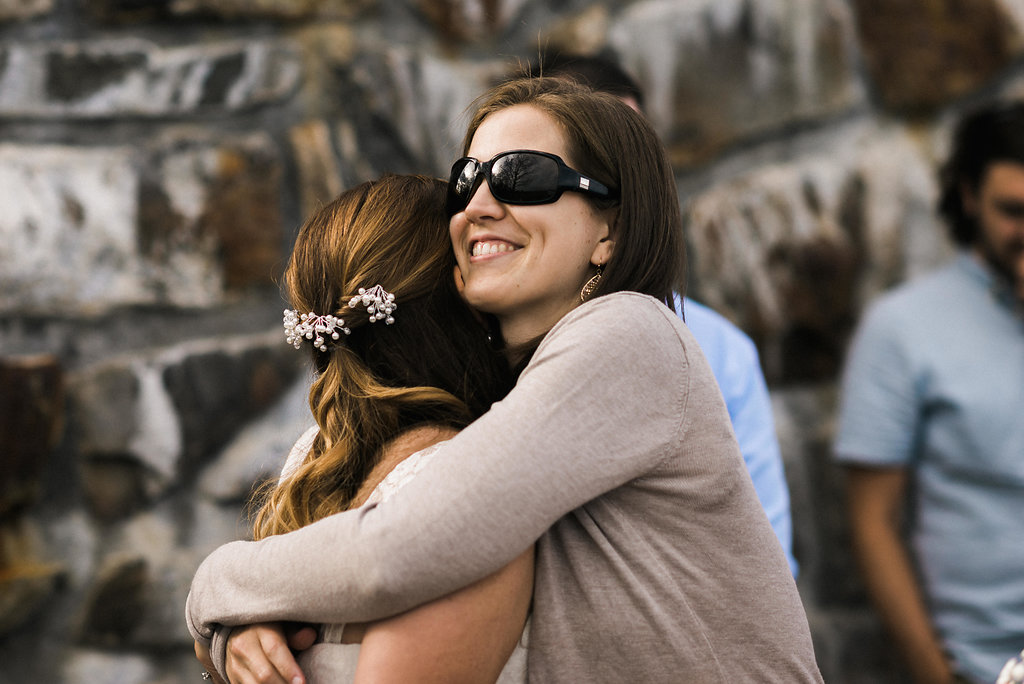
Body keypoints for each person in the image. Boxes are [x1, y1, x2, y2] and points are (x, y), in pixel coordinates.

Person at [187, 77, 823, 683]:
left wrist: (219, 584)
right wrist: (243, 631)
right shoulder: (502, 392)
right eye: (466, 182)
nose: (479, 206)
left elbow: (405, 549)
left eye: (525, 177)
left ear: (612, 229)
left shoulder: (631, 334)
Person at [194, 174, 533, 683]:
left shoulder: (316, 452)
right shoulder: (467, 479)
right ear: (455, 305)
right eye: (475, 264)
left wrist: (214, 603)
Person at [532, 51, 797, 576]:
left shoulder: (720, 350)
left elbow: (765, 560)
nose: (623, 187)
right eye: (592, 163)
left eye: (637, 159)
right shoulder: (464, 338)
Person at [834, 101, 1024, 683]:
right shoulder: (902, 328)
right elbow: (873, 522)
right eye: (1014, 211)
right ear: (968, 197)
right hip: (987, 666)